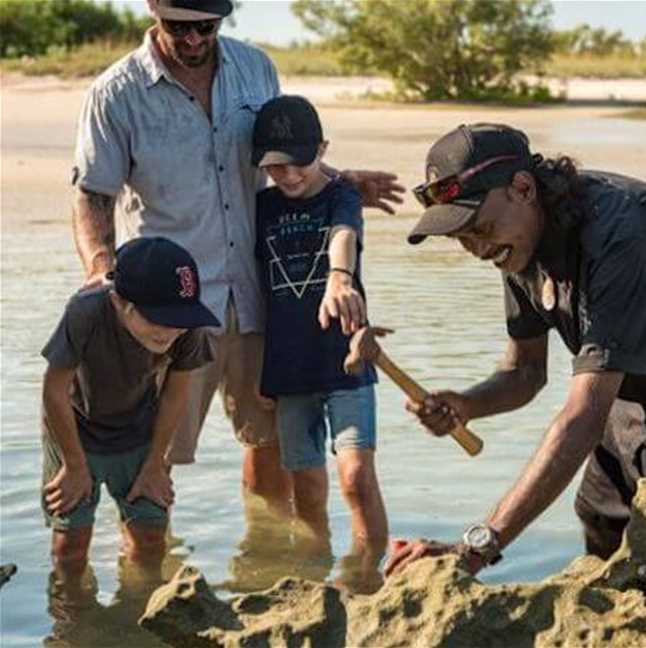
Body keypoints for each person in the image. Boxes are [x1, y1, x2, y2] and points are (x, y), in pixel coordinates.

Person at [385, 123, 646, 576]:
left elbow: (582, 416)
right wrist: (468, 404)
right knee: (599, 513)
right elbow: (525, 373)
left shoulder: (623, 234)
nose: (476, 248)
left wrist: (476, 547)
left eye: (480, 227)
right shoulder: (514, 242)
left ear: (522, 187)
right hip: (634, 382)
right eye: (461, 236)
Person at [71, 0, 403, 512]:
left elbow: (283, 153)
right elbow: (93, 195)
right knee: (151, 460)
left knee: (266, 441)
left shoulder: (256, 69)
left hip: (255, 294)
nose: (194, 40)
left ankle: (266, 561)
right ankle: (148, 578)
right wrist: (100, 269)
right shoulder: (115, 93)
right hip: (171, 305)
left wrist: (337, 180)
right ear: (152, 11)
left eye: (205, 27)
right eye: (179, 28)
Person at [252, 95, 388, 570]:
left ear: (323, 150)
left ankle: (367, 572)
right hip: (288, 369)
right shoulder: (261, 206)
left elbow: (344, 237)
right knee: (306, 488)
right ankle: (314, 573)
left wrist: (340, 279)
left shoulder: (342, 196)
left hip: (345, 360)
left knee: (355, 477)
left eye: (300, 164)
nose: (289, 176)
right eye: (274, 168)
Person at [41, 237, 217, 589]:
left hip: (139, 430)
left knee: (152, 540)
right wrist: (74, 466)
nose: (173, 330)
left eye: (180, 319)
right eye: (161, 318)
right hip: (76, 430)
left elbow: (174, 395)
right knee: (70, 550)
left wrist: (155, 465)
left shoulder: (188, 325)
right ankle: (72, 628)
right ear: (120, 302)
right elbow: (53, 391)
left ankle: (137, 622)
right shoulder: (85, 312)